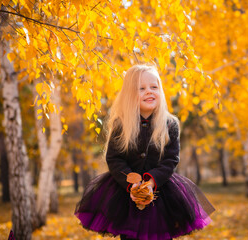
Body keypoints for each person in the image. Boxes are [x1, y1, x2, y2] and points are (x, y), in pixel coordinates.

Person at [75, 64, 215, 240]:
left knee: (161, 235)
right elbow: (114, 158)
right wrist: (132, 182)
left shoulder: (170, 124)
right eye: (141, 88)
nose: (149, 91)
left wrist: (150, 181)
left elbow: (171, 160)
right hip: (126, 194)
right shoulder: (121, 124)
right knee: (130, 235)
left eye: (154, 87)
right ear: (130, 95)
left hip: (161, 192)